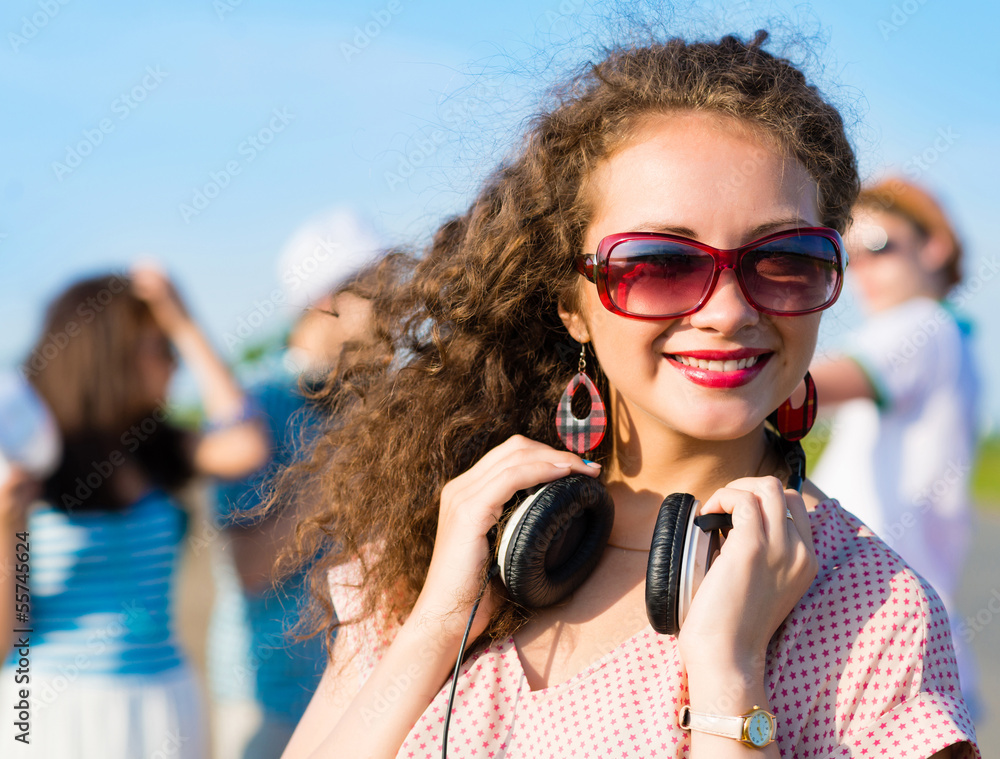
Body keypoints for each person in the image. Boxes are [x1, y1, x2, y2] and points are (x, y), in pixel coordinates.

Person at [276, 32, 979, 758]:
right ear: (570, 301)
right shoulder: (444, 544)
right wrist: (434, 625)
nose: (729, 310)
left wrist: (730, 677)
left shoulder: (869, 608)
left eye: (784, 260)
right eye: (660, 263)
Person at [0, 266, 270, 758]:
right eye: (161, 347)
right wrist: (4, 531)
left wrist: (184, 323)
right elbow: (6, 637)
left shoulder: (155, 446)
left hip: (165, 703)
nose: (174, 364)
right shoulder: (27, 457)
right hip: (58, 712)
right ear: (110, 355)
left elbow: (248, 444)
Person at [208, 209, 381, 759]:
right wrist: (339, 475)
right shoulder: (255, 411)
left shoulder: (376, 404)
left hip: (360, 691)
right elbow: (249, 566)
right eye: (374, 289)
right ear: (321, 301)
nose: (394, 307)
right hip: (270, 699)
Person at [809, 179, 982, 717]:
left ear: (936, 247)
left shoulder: (920, 326)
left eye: (880, 245)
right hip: (918, 639)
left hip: (880, 636)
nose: (862, 268)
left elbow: (800, 388)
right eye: (848, 254)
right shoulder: (954, 339)